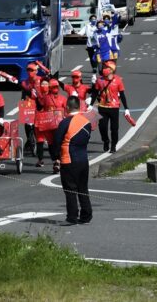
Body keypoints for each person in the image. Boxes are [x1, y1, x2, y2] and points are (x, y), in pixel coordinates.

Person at [52, 96, 93, 225]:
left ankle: (72, 217)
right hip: (83, 159)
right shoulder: (86, 121)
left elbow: (56, 142)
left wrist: (55, 158)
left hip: (68, 159)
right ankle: (86, 215)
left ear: (67, 108)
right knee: (83, 188)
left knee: (70, 189)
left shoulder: (65, 122)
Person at [92, 66, 132, 153]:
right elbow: (95, 93)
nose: (111, 76)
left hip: (114, 108)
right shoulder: (100, 81)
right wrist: (90, 104)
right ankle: (105, 140)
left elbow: (122, 94)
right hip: (103, 107)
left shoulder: (118, 80)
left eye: (111, 74)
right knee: (102, 127)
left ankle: (113, 145)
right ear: (105, 76)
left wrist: (126, 108)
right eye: (108, 75)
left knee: (114, 128)